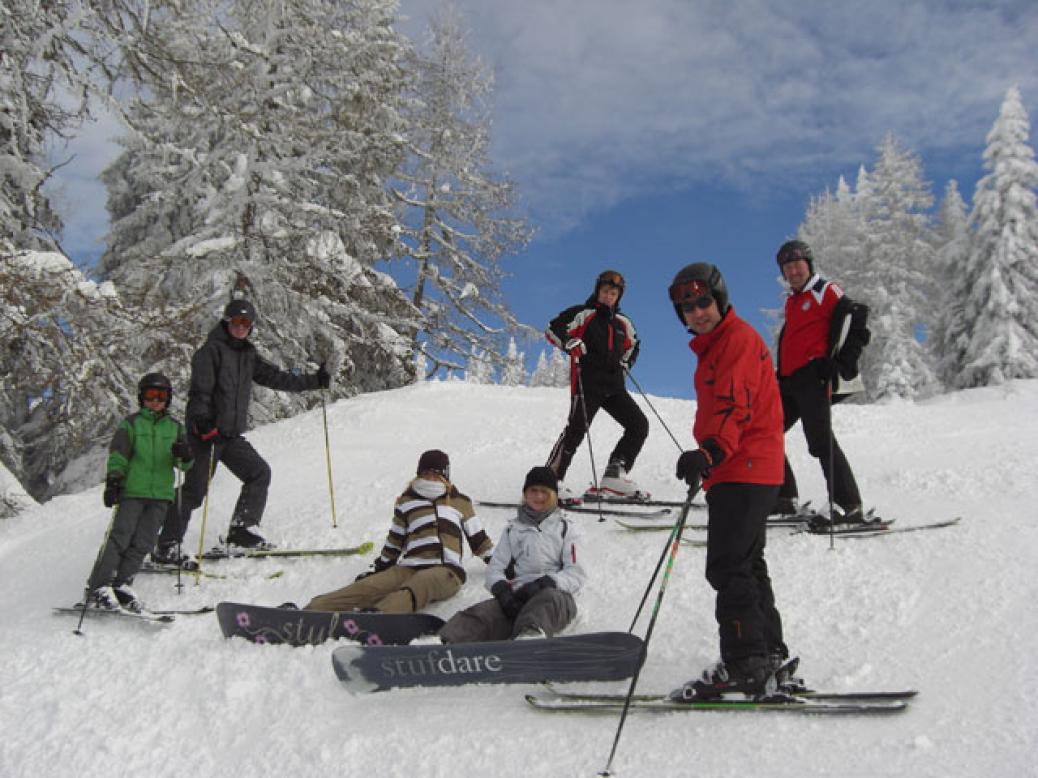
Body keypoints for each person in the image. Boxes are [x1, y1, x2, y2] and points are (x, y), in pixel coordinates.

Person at [668, 262, 789, 698]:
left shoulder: (734, 341)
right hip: (749, 468)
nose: (697, 312)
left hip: (743, 466)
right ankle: (768, 654)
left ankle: (744, 663)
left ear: (719, 299)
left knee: (728, 565)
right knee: (749, 564)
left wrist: (710, 451)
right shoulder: (717, 346)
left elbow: (733, 405)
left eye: (703, 302)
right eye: (688, 306)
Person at [153, 298, 330, 563]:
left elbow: (277, 377)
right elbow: (200, 391)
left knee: (258, 472)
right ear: (227, 322)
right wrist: (201, 421)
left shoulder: (248, 355)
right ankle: (166, 545)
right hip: (206, 434)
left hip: (230, 435)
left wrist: (314, 381)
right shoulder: (210, 351)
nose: (241, 327)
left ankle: (242, 530)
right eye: (236, 322)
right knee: (194, 490)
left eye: (246, 323)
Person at [303, 450, 493, 613]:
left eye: (436, 475)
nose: (430, 479)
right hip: (408, 568)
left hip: (446, 572)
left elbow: (480, 541)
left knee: (419, 585)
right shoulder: (406, 502)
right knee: (368, 587)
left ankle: (380, 615)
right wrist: (379, 570)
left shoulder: (460, 502)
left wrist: (502, 565)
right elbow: (395, 541)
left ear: (445, 477)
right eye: (426, 474)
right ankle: (313, 609)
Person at [773, 240, 871, 525]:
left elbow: (857, 317)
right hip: (790, 381)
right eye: (787, 268)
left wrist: (842, 363)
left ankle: (848, 505)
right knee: (765, 430)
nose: (793, 271)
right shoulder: (794, 300)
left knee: (819, 441)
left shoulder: (823, 290)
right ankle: (784, 498)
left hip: (812, 377)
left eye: (797, 265)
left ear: (809, 265)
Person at [438, 466, 585, 643]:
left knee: (546, 600)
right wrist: (503, 593)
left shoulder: (566, 528)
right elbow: (495, 568)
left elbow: (576, 573)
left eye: (544, 492)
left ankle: (529, 637)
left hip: (558, 599)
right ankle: (442, 644)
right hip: (520, 596)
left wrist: (547, 583)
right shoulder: (513, 530)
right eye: (533, 491)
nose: (538, 497)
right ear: (526, 494)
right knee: (483, 612)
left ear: (553, 495)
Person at [86, 373, 193, 612]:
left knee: (144, 542)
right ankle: (99, 587)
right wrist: (114, 480)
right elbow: (118, 455)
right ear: (141, 397)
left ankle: (122, 583)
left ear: (168, 399)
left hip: (161, 495)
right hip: (133, 491)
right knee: (120, 538)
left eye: (161, 396)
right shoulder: (131, 424)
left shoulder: (175, 428)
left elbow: (185, 466)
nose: (155, 401)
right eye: (150, 395)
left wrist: (185, 454)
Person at [544, 269, 649, 502]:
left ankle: (614, 476)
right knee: (575, 432)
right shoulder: (583, 313)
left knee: (639, 425)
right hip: (587, 384)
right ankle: (549, 481)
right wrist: (570, 341)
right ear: (597, 291)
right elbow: (553, 329)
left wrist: (626, 362)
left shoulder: (623, 323)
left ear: (618, 296)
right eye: (605, 291)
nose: (608, 296)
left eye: (613, 293)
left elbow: (634, 345)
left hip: (614, 387)